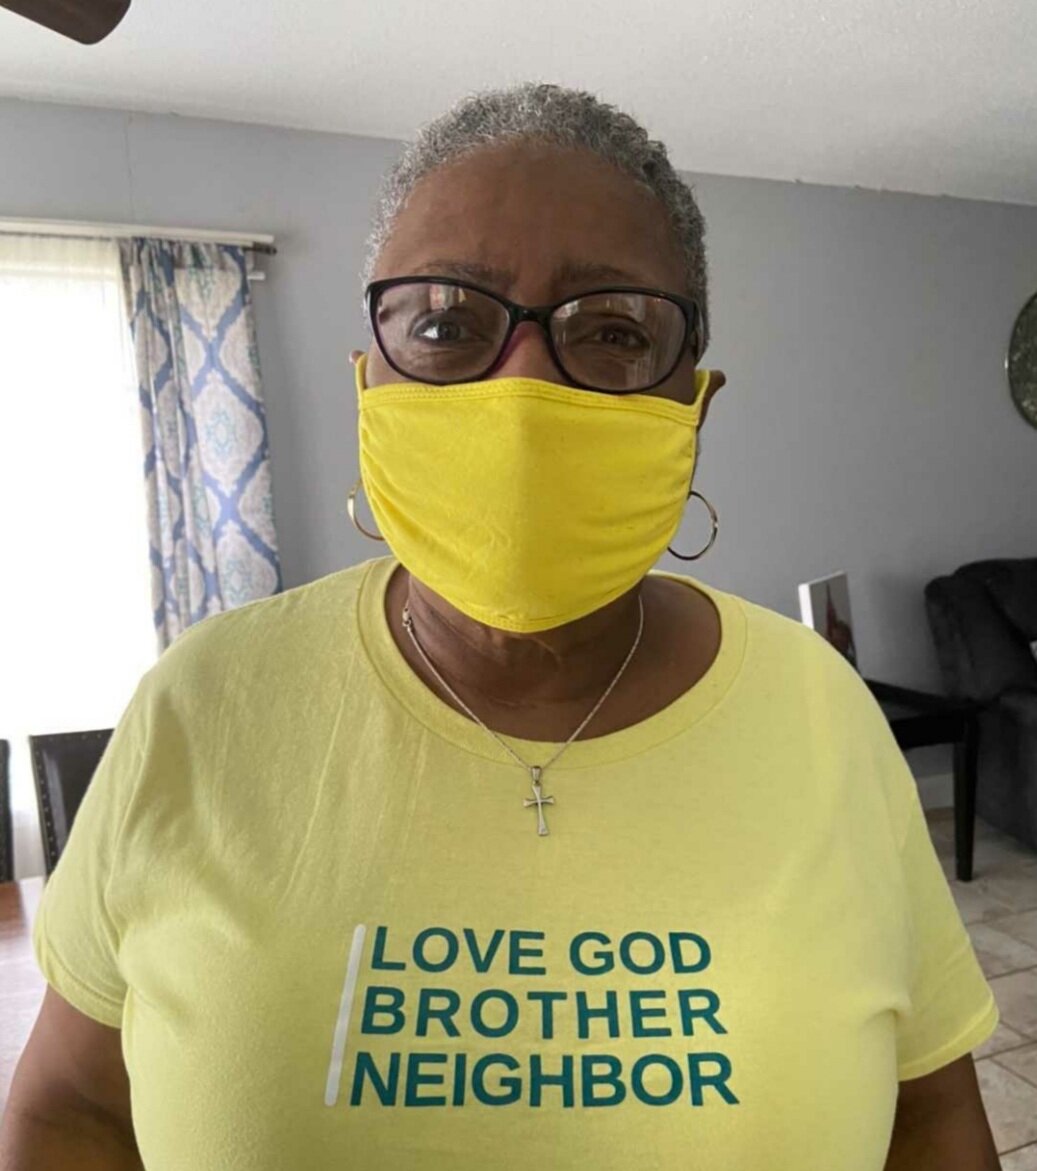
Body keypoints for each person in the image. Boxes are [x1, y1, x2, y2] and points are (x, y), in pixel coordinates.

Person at [1, 82, 1001, 1171]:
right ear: (368, 381)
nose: (521, 388)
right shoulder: (200, 703)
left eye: (612, 329)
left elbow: (930, 1116)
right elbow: (71, 1112)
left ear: (692, 403)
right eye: (443, 322)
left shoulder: (821, 714)